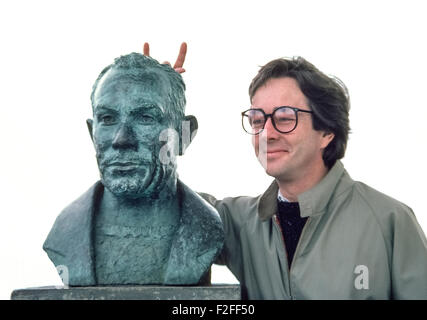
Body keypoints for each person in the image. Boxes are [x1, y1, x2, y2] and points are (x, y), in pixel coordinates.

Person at [145, 43, 427, 299]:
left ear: (327, 130)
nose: (267, 133)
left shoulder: (389, 222)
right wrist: (157, 115)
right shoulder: (235, 222)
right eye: (257, 120)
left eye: (284, 118)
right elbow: (158, 206)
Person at [43, 52, 224, 286]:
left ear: (183, 135)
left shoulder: (208, 229)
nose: (121, 139)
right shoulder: (64, 233)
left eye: (145, 118)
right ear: (92, 133)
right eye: (108, 118)